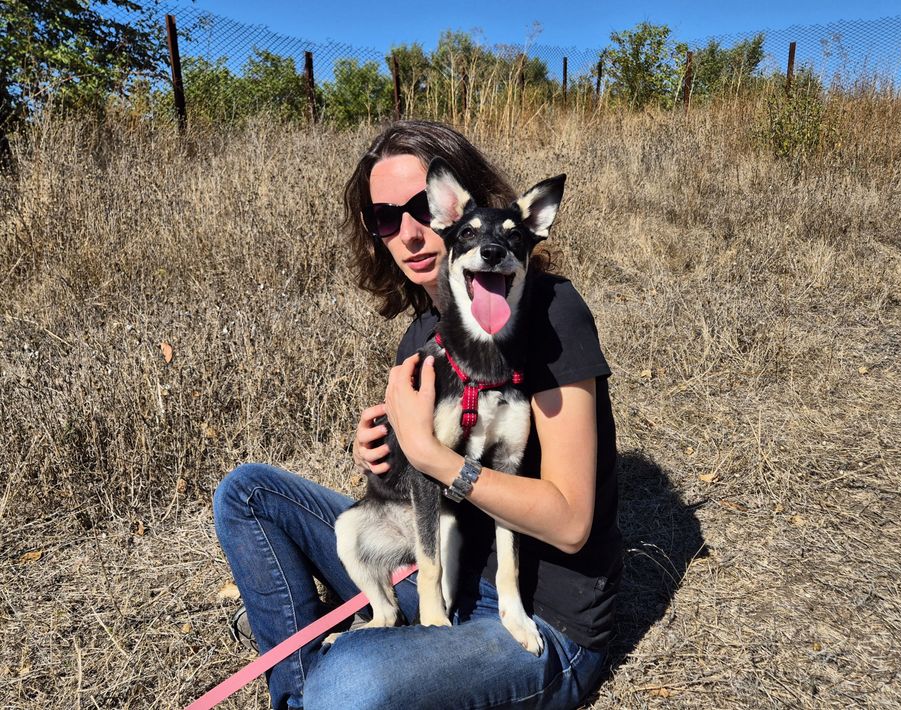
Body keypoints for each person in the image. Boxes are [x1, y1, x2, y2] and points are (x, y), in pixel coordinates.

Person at [212, 119, 622, 709]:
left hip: (539, 620)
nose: (409, 232)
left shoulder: (554, 314)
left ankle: (333, 675)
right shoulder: (423, 336)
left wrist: (431, 454)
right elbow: (422, 475)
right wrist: (387, 450)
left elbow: (571, 523)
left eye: (419, 207)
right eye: (385, 218)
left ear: (456, 206)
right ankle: (315, 684)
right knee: (247, 492)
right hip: (437, 568)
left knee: (347, 683)